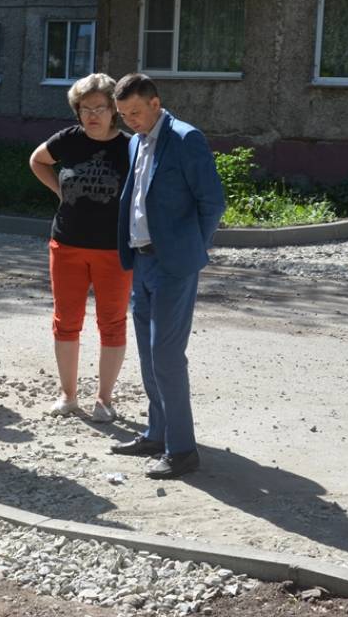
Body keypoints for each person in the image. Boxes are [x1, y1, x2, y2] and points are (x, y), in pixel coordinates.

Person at [111, 73, 225, 479]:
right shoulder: (135, 142)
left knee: (166, 355)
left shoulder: (185, 138)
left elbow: (212, 202)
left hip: (173, 264)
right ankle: (156, 433)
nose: (130, 121)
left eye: (135, 113)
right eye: (123, 115)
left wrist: (189, 246)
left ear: (155, 104)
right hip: (141, 260)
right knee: (148, 352)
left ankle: (182, 450)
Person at [28, 73, 132, 422]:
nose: (92, 115)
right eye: (85, 108)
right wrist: (59, 191)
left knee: (112, 323)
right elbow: (37, 160)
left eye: (99, 107)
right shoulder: (69, 139)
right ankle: (68, 396)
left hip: (114, 249)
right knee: (66, 322)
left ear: (113, 110)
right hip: (67, 244)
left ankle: (104, 400)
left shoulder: (130, 146)